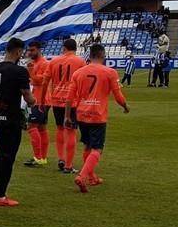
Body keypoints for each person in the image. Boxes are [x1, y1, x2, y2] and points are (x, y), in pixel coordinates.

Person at [65, 43, 130, 193]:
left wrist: (67, 116)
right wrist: (125, 107)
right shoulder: (110, 72)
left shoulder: (78, 73)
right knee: (97, 149)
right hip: (98, 115)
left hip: (81, 114)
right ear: (102, 55)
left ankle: (92, 177)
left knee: (87, 146)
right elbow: (118, 96)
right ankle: (82, 176)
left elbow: (70, 97)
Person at [0, 38, 36, 206]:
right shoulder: (20, 71)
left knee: (3, 150)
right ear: (18, 51)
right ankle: (1, 195)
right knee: (9, 156)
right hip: (11, 118)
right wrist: (34, 101)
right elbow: (28, 97)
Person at [41, 37, 85, 173]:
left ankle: (61, 158)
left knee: (60, 128)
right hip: (72, 101)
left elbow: (45, 81)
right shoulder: (80, 61)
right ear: (75, 49)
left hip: (56, 100)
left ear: (64, 48)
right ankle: (68, 165)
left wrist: (42, 99)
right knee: (71, 131)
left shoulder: (54, 61)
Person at [22, 41, 50, 168]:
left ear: (39, 50)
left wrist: (31, 71)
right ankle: (42, 158)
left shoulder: (44, 63)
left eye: (32, 50)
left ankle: (38, 157)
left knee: (31, 127)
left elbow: (41, 81)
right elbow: (33, 81)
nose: (30, 53)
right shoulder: (36, 63)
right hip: (40, 99)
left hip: (40, 100)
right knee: (42, 128)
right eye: (29, 50)